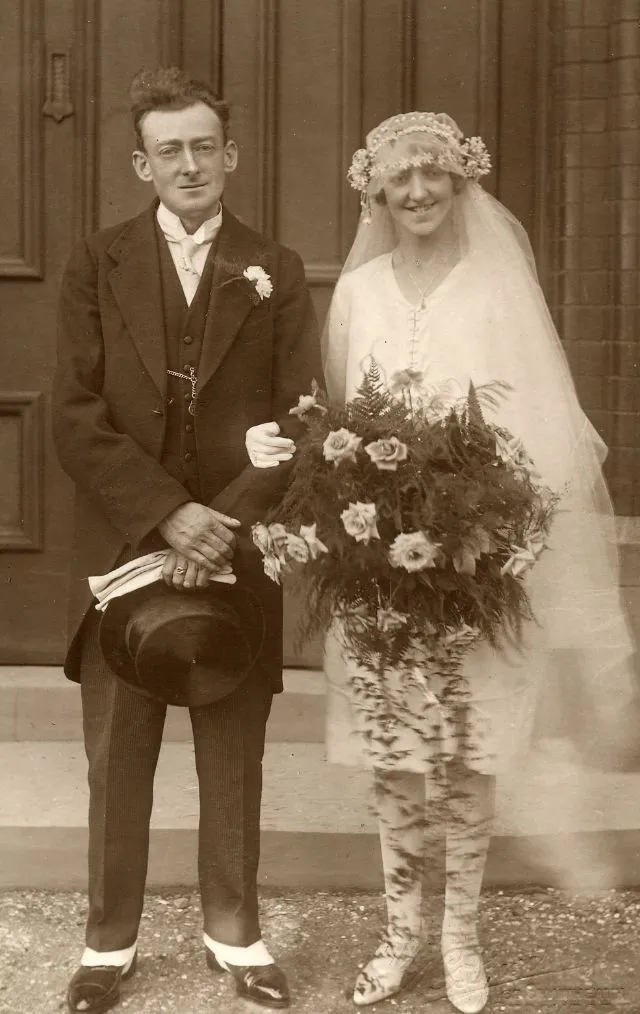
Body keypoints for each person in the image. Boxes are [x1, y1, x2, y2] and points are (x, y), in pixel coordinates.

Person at [245, 111, 638, 1013]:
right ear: (373, 191)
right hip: (381, 568)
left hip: (477, 566)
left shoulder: (495, 288)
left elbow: (540, 427)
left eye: (434, 173)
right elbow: (337, 423)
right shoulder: (359, 292)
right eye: (399, 177)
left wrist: (495, 539)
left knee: (466, 752)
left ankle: (460, 936)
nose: (417, 191)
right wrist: (356, 534)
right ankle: (399, 932)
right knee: (395, 756)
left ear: (461, 182)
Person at [52, 66, 321, 1014]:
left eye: (205, 145)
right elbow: (74, 417)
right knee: (119, 754)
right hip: (134, 546)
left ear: (231, 154)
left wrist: (228, 521)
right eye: (170, 149)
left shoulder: (275, 269)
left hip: (236, 550)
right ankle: (107, 946)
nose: (190, 163)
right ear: (142, 163)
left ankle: (236, 938)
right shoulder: (98, 262)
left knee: (232, 751)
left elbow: (304, 413)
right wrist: (169, 516)